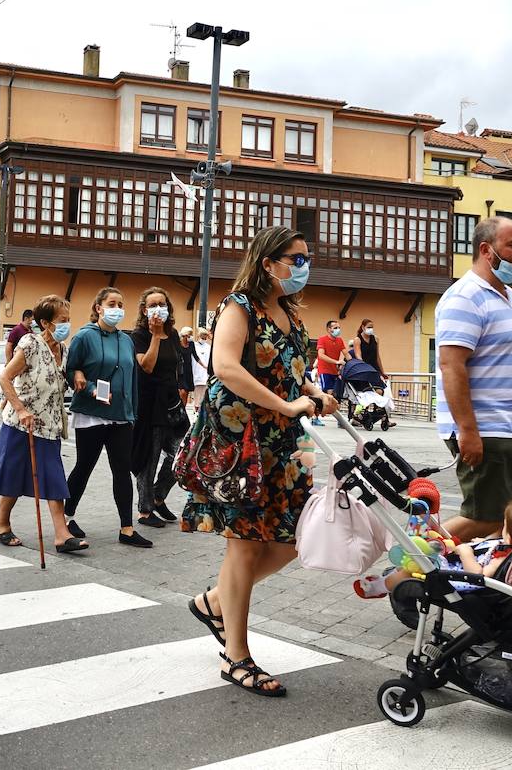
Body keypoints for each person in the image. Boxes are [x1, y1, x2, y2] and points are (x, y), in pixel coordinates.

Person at [179, 226, 336, 697]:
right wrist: (285, 404)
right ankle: (236, 655)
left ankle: (215, 601)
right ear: (268, 263)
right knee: (245, 545)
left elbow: (293, 371)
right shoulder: (239, 306)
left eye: (306, 258)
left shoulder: (289, 312)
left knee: (294, 538)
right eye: (296, 259)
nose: (304, 266)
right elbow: (226, 367)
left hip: (285, 441)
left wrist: (313, 393)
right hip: (244, 438)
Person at [435, 217, 512, 543]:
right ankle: (409, 563)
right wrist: (468, 430)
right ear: (486, 250)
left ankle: (486, 575)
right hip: (488, 429)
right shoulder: (465, 297)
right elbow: (452, 366)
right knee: (484, 519)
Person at [0, 295, 86, 554]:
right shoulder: (30, 344)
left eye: (68, 319)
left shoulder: (63, 350)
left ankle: (62, 535)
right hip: (22, 425)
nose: (67, 325)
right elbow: (5, 377)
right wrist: (20, 409)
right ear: (45, 323)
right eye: (62, 320)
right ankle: (1, 524)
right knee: (13, 477)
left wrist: (77, 375)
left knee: (53, 478)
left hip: (50, 426)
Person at [64, 287, 150, 548]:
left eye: (121, 304)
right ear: (98, 308)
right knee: (85, 466)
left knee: (122, 469)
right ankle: (66, 518)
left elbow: (132, 378)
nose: (117, 309)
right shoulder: (84, 336)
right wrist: (89, 386)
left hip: (121, 415)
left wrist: (132, 412)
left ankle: (127, 529)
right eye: (112, 304)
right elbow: (71, 370)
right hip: (92, 413)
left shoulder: (126, 340)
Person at [355, 493, 512, 598]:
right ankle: (392, 577)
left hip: (461, 579)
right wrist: (481, 544)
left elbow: (480, 576)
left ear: (511, 536)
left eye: (504, 526)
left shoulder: (502, 558)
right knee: (421, 558)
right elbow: (493, 546)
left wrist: (466, 552)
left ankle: (380, 587)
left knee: (417, 567)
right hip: (457, 566)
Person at [131, 287, 189, 529]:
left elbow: (176, 365)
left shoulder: (173, 334)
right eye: (152, 305)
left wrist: (182, 389)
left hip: (172, 403)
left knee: (183, 455)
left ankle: (158, 494)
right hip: (150, 404)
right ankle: (145, 510)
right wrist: (155, 335)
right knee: (150, 458)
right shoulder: (138, 335)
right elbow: (147, 366)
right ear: (144, 310)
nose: (158, 309)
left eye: (162, 304)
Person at [314, 320, 348, 427]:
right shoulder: (322, 339)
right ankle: (316, 417)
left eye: (339, 327)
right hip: (324, 371)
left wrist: (354, 363)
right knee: (329, 394)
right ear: (329, 329)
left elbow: (346, 354)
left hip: (335, 372)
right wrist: (336, 362)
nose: (338, 330)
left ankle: (339, 420)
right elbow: (321, 355)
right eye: (335, 327)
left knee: (335, 395)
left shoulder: (340, 340)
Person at [189, 328, 211, 411]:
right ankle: (196, 408)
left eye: (205, 338)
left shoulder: (208, 347)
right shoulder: (194, 346)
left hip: (206, 373)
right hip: (196, 372)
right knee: (196, 393)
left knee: (204, 393)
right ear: (198, 336)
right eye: (202, 337)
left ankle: (201, 410)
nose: (204, 339)